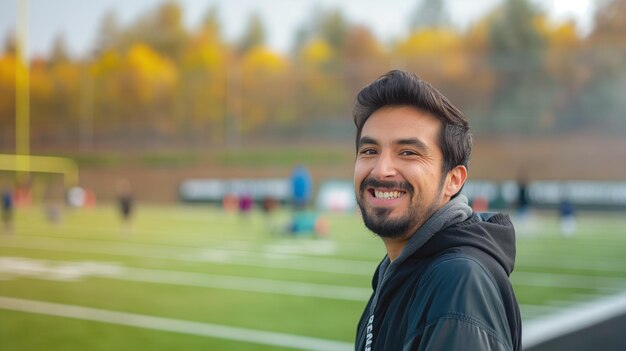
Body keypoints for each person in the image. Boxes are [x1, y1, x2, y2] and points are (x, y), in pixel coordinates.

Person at [352, 70, 521, 351]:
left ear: (453, 180)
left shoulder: (458, 282)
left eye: (408, 152)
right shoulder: (398, 269)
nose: (381, 169)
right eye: (369, 150)